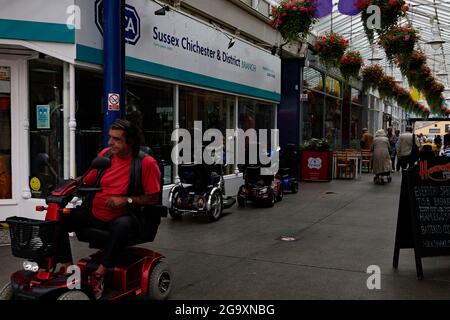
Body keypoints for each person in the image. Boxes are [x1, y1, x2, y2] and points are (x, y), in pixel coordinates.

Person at [57, 119, 161, 299]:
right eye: (110, 137)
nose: (110, 142)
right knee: (61, 217)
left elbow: (153, 198)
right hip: (96, 213)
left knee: (122, 224)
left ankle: (100, 274)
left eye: (117, 139)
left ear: (131, 142)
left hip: (128, 216)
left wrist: (126, 200)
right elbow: (86, 179)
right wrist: (67, 185)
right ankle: (67, 266)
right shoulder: (106, 155)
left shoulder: (146, 163)